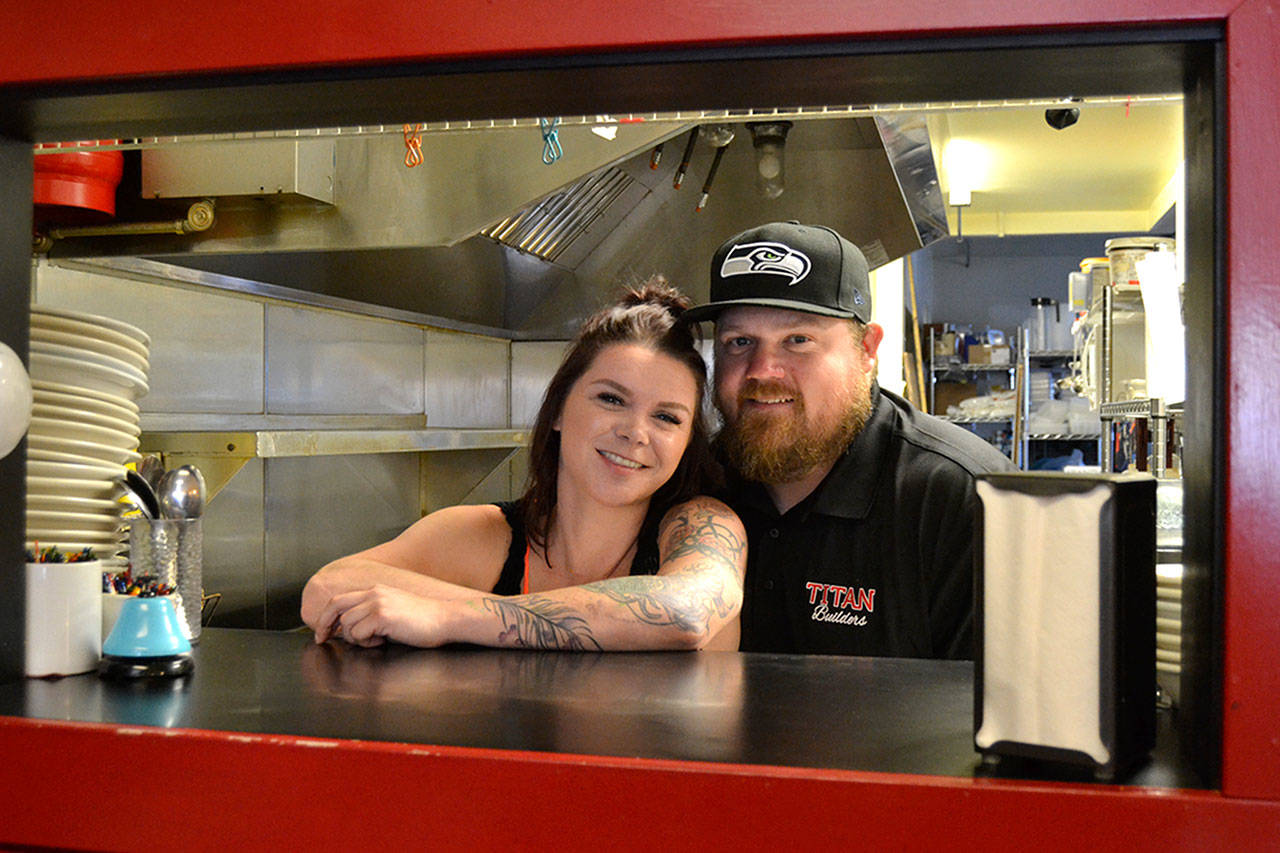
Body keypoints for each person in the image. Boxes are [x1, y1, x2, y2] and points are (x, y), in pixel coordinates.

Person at [301, 279, 746, 651]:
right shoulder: (485, 536)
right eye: (611, 399)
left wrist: (449, 616)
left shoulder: (701, 526)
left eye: (667, 417)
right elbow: (327, 587)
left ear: (687, 442)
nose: (635, 432)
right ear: (556, 411)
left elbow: (686, 613)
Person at [682, 221, 1015, 659]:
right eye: (739, 341)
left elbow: (1007, 713)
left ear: (867, 350)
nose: (762, 369)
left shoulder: (965, 499)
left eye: (798, 340)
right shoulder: (692, 479)